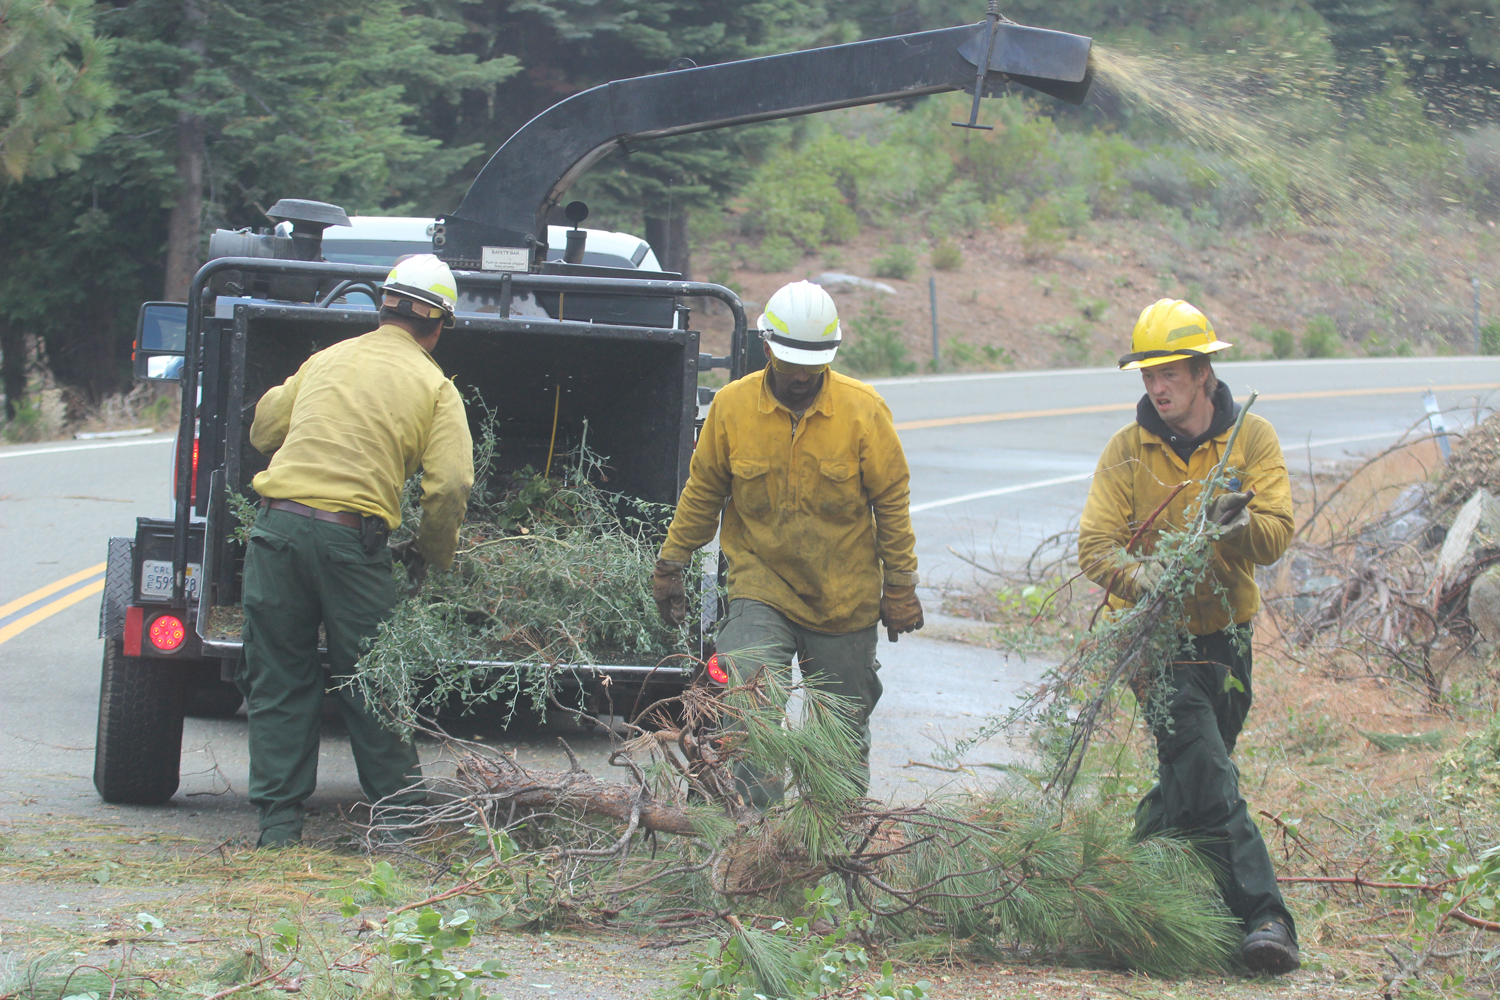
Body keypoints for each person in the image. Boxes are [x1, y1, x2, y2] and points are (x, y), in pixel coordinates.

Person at [1077, 298, 1299, 974]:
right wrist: (1152, 584)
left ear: (1203, 372)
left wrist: (1236, 524)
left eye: (1170, 373)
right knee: (1207, 769)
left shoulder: (1251, 439)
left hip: (1227, 638)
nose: (1158, 388)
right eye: (1148, 377)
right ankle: (1265, 918)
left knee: (1195, 779)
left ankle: (1110, 889)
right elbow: (1095, 546)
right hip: (1158, 644)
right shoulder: (1127, 450)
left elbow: (1277, 534)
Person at [651, 280, 922, 808]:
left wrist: (902, 586)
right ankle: (757, 836)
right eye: (791, 360)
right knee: (744, 703)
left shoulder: (864, 411)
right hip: (761, 584)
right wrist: (672, 562)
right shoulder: (732, 408)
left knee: (839, 726)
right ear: (767, 345)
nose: (800, 376)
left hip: (843, 594)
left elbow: (891, 501)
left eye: (813, 363)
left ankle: (830, 838)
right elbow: (703, 491)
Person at [241, 253, 474, 848]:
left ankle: (277, 829)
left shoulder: (327, 358)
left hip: (277, 533)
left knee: (280, 679)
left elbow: (264, 431)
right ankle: (398, 821)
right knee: (372, 678)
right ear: (439, 326)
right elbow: (449, 486)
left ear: (384, 306)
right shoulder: (435, 386)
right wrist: (430, 554)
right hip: (352, 540)